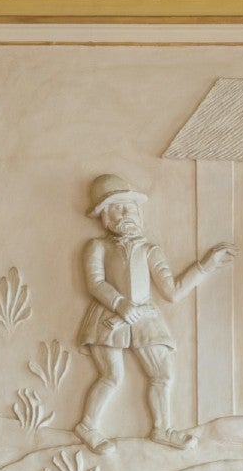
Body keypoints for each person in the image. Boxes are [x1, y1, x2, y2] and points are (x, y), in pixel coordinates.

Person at [70, 177, 231, 451]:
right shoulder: (97, 246)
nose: (126, 214)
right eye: (118, 209)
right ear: (104, 217)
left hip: (146, 318)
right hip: (108, 318)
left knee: (163, 373)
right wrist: (121, 305)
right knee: (112, 375)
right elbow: (95, 283)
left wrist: (205, 266)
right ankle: (87, 426)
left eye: (130, 208)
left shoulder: (150, 250)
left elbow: (172, 291)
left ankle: (162, 429)